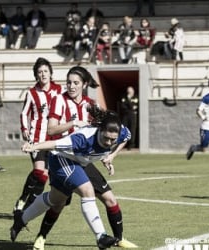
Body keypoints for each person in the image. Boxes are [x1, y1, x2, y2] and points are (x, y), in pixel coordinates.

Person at [32, 66, 137, 250]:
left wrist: (111, 156)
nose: (71, 86)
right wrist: (73, 123)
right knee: (59, 202)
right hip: (64, 156)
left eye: (76, 83)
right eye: (69, 82)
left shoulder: (92, 105)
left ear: (85, 84)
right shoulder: (59, 101)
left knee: (110, 199)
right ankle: (41, 237)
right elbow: (50, 131)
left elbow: (117, 132)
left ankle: (119, 239)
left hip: (85, 159)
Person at [10, 107, 128, 249]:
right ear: (100, 130)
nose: (109, 143)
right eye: (106, 138)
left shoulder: (121, 133)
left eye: (112, 140)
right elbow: (54, 144)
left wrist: (111, 157)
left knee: (55, 199)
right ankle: (101, 236)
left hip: (82, 162)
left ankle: (21, 219)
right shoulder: (83, 138)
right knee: (87, 190)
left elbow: (126, 138)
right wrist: (34, 146)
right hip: (61, 159)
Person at [13, 57, 63, 213]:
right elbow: (23, 113)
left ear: (50, 73)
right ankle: (22, 199)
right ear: (36, 75)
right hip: (37, 137)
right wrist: (25, 129)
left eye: (45, 71)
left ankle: (28, 208)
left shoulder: (59, 90)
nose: (43, 74)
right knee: (39, 171)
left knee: (44, 177)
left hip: (54, 138)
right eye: (40, 72)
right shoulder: (32, 92)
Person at [120, 86, 138, 150]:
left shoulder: (135, 98)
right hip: (126, 115)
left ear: (133, 91)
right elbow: (122, 106)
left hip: (133, 116)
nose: (129, 92)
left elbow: (133, 107)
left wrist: (128, 100)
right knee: (124, 129)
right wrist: (128, 103)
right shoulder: (124, 97)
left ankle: (131, 145)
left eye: (130, 91)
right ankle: (123, 144)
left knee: (132, 129)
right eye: (128, 91)